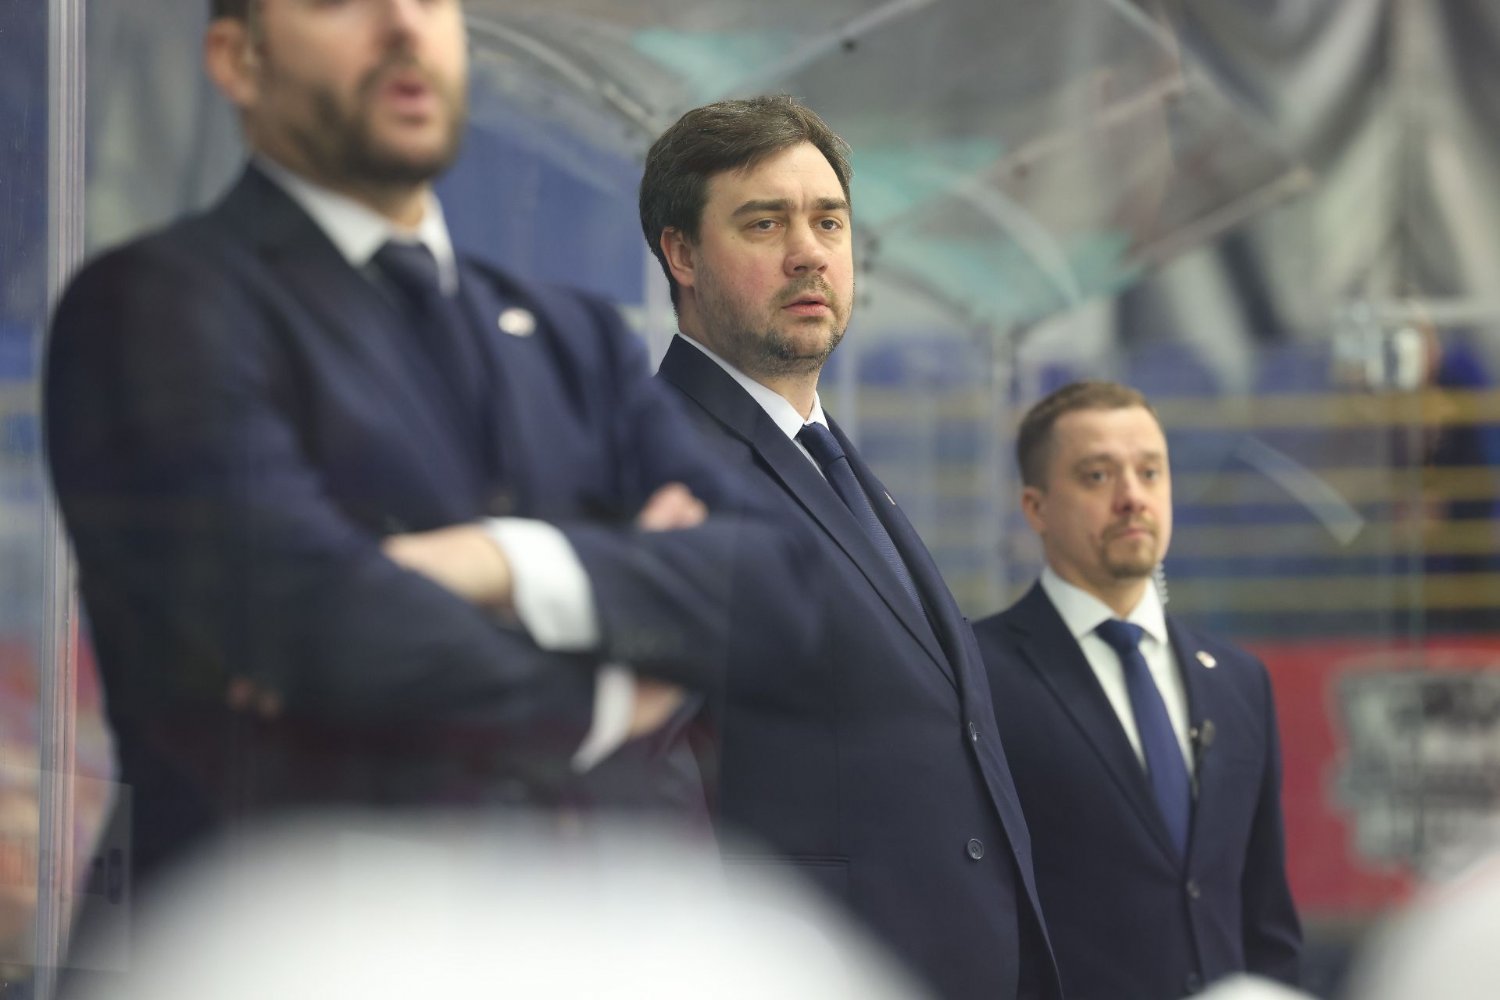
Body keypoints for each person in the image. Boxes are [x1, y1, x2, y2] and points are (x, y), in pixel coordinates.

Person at [45, 0, 814, 942]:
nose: (405, 25)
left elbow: (777, 587)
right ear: (239, 59)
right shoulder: (158, 306)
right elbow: (307, 621)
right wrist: (609, 685)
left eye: (432, 0)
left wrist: (501, 564)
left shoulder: (572, 338)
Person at [641, 95, 1061, 1000]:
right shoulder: (658, 459)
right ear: (682, 254)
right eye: (765, 223)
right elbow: (648, 780)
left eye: (828, 221)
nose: (809, 252)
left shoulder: (828, 458)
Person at [972, 381, 1303, 999]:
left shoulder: (1238, 682)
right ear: (1036, 508)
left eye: (1150, 472)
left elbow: (1265, 919)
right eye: (1097, 476)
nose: (1132, 497)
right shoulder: (977, 675)